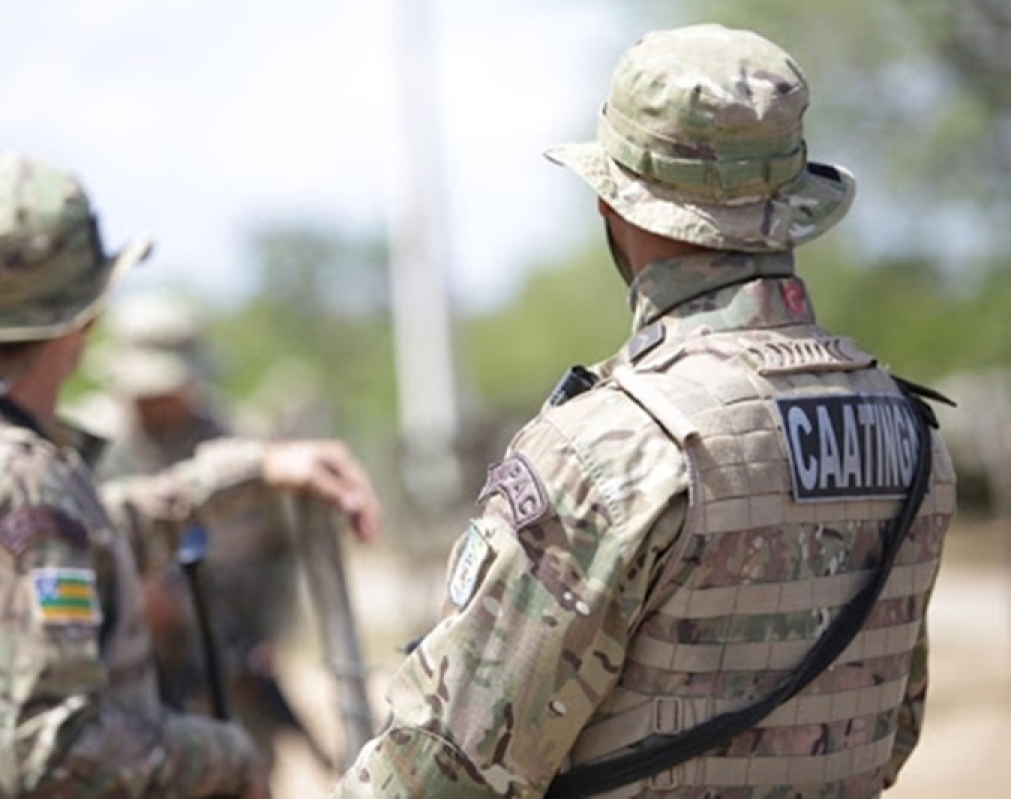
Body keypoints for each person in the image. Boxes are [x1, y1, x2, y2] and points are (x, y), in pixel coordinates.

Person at [333, 24, 956, 798]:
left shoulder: (613, 448)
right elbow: (888, 730)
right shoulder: (910, 433)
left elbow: (442, 771)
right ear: (795, 205)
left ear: (614, 205)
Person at [0, 152, 380, 798]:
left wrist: (254, 467)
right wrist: (228, 753)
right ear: (87, 314)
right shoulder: (18, 484)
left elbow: (88, 534)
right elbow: (58, 755)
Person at [92, 292, 320, 785]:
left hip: (227, 670)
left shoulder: (236, 445)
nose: (160, 400)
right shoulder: (88, 447)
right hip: (126, 685)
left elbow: (280, 552)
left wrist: (269, 637)